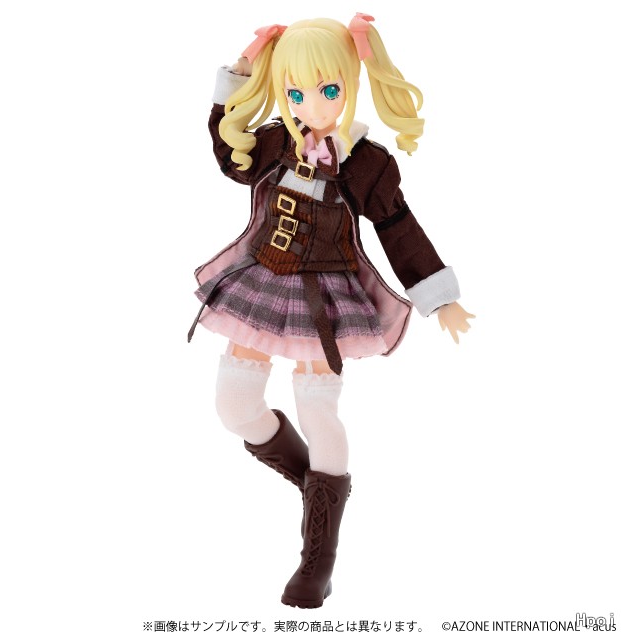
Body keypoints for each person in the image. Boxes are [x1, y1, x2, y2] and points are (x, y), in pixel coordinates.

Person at [188, 14, 474, 608]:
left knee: (318, 410)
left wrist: (439, 298)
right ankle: (318, 485)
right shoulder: (273, 142)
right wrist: (237, 75)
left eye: (327, 89)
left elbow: (399, 228)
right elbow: (228, 153)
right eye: (295, 93)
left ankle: (318, 556)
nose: (311, 106)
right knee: (234, 406)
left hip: (327, 298)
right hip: (263, 282)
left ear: (351, 82)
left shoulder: (367, 164)